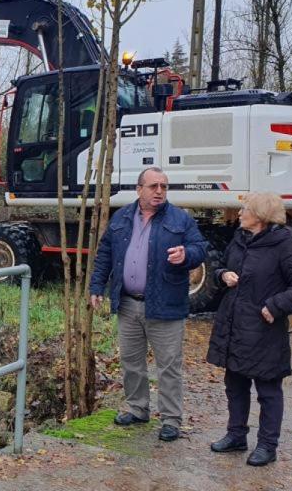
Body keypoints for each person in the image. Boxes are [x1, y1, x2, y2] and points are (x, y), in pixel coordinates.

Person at [90, 167, 208, 442]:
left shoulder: (180, 219)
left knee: (168, 365)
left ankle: (170, 419)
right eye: (154, 186)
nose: (159, 191)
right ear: (139, 189)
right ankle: (137, 408)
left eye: (164, 187)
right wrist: (97, 286)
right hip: (128, 304)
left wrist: (186, 254)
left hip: (165, 304)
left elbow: (200, 248)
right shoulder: (122, 217)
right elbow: (105, 253)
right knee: (131, 361)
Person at [206, 192, 292, 466]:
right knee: (235, 384)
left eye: (245, 209)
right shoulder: (239, 239)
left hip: (265, 330)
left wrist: (275, 306)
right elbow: (221, 267)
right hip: (235, 326)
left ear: (261, 215)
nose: (240, 213)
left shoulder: (284, 245)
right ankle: (236, 435)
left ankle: (267, 445)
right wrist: (222, 275)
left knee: (268, 389)